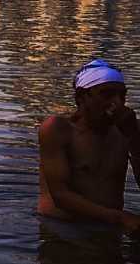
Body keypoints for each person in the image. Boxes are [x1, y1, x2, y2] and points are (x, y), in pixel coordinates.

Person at [39, 59, 140, 232]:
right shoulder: (58, 129)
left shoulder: (128, 129)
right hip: (62, 228)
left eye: (122, 95)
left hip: (110, 226)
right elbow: (60, 196)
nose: (117, 103)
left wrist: (134, 139)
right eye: (107, 94)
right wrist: (120, 218)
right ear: (81, 98)